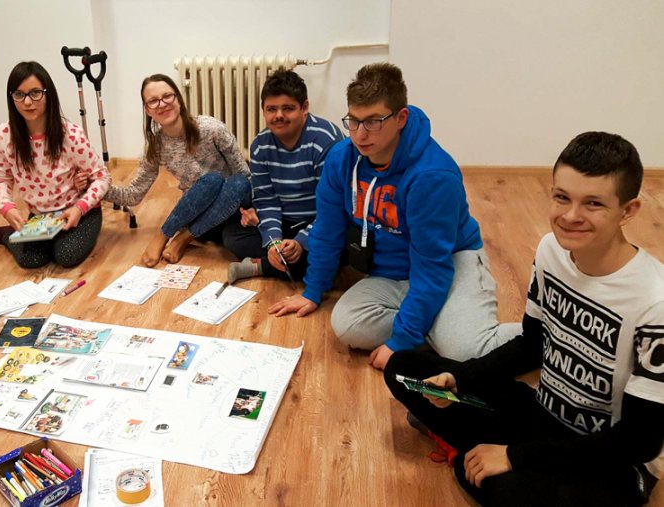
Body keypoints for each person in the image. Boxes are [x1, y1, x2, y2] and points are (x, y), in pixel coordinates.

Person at [384, 132, 664, 506]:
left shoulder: (655, 302)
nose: (570, 216)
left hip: (611, 456)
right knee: (405, 370)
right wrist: (461, 378)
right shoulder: (551, 251)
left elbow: (639, 441)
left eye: (593, 203)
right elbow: (532, 345)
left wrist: (515, 456)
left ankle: (479, 454)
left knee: (501, 487)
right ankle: (481, 454)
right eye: (562, 197)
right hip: (541, 416)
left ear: (628, 211)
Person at [268, 62, 518, 369]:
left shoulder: (432, 176)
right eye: (354, 121)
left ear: (401, 118)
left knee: (467, 351)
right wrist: (313, 291)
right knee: (347, 325)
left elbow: (433, 266)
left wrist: (400, 341)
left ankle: (537, 336)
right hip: (391, 273)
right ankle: (440, 322)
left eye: (373, 121)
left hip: (449, 262)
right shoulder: (341, 160)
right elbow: (327, 231)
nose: (360, 134)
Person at [104, 74, 254, 267]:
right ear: (147, 110)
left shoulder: (212, 128)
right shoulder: (156, 146)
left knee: (230, 181)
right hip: (199, 217)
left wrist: (257, 211)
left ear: (178, 99)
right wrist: (99, 189)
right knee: (211, 181)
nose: (162, 104)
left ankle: (181, 238)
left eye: (167, 96)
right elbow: (133, 194)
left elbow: (245, 175)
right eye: (153, 101)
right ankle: (166, 235)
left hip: (233, 209)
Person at [228, 69, 344, 284]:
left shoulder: (326, 142)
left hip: (322, 220)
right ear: (263, 111)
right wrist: (273, 241)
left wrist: (302, 241)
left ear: (305, 108)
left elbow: (334, 207)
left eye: (288, 108)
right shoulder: (260, 145)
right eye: (271, 109)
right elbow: (266, 200)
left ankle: (262, 266)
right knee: (232, 236)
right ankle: (279, 259)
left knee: (337, 249)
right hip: (286, 220)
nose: (279, 115)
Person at [0, 61, 110, 269]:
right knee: (31, 260)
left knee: (66, 256)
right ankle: (7, 235)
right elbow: (1, 177)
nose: (28, 102)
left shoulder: (71, 134)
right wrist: (7, 208)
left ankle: (50, 241)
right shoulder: (5, 134)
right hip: (41, 217)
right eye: (19, 94)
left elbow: (102, 178)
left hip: (79, 212)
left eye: (35, 93)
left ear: (48, 94)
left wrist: (80, 208)